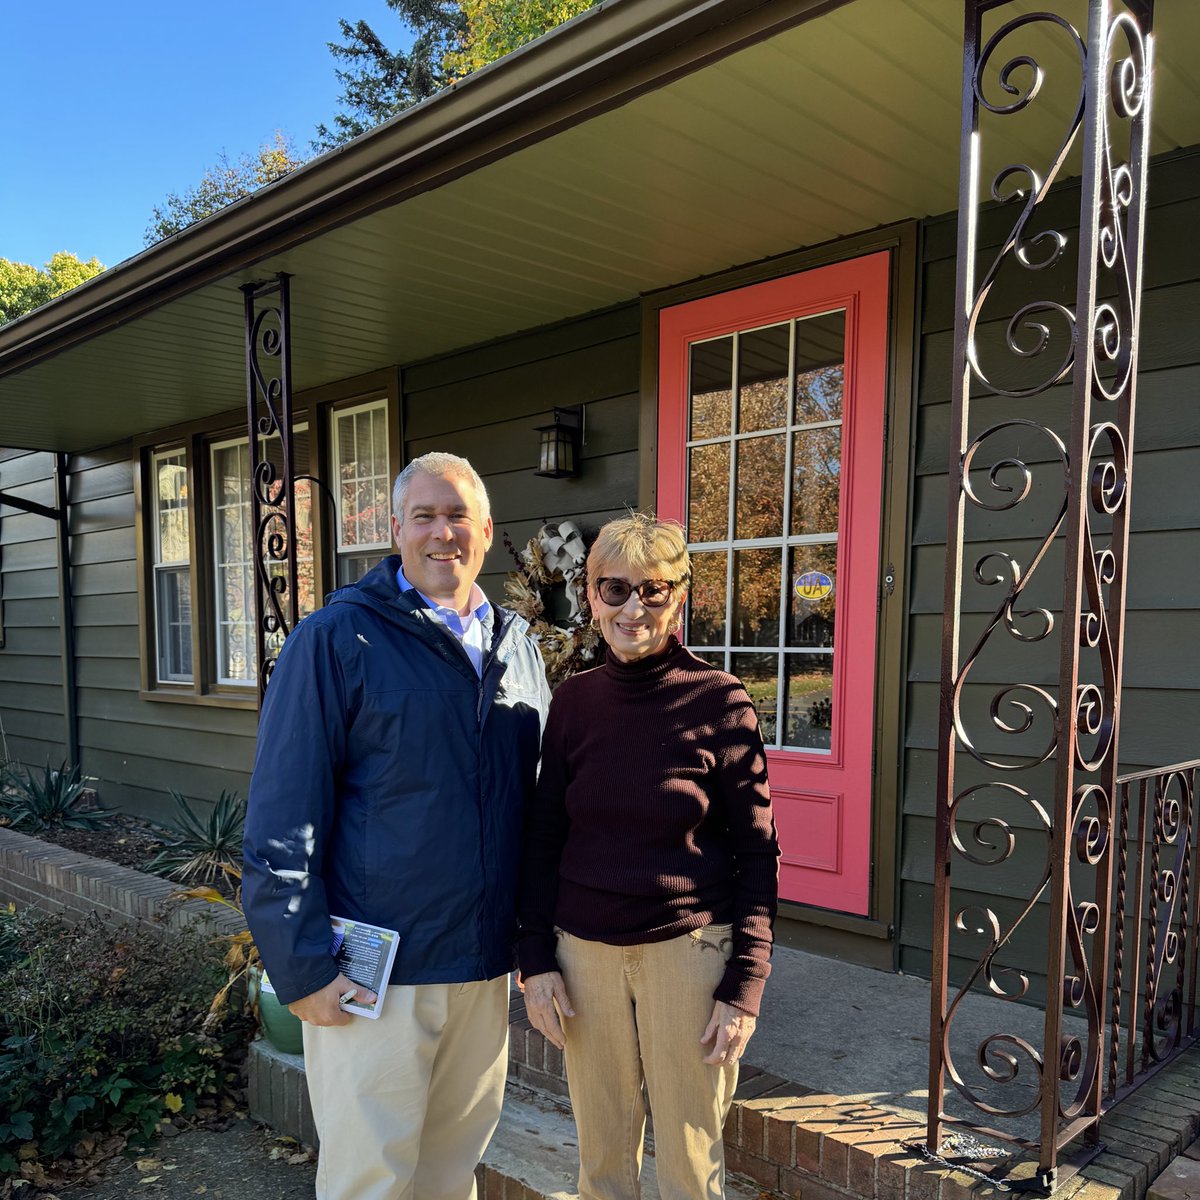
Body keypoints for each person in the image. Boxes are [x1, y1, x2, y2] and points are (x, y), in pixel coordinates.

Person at [243, 451, 551, 1200]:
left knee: (449, 1175)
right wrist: (304, 964)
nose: (442, 533)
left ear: (486, 529)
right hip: (373, 973)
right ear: (395, 529)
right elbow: (285, 810)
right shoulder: (339, 638)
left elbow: (536, 806)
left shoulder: (517, 647)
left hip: (480, 969)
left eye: (458, 517)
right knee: (370, 1182)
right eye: (425, 516)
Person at [517, 513, 780, 1200]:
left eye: (654, 590)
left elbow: (758, 852)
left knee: (691, 1166)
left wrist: (745, 985)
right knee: (602, 1160)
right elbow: (544, 837)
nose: (634, 607)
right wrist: (536, 960)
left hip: (688, 954)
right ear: (592, 596)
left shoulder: (721, 703)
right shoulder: (573, 703)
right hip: (585, 956)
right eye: (615, 589)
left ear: (679, 598)